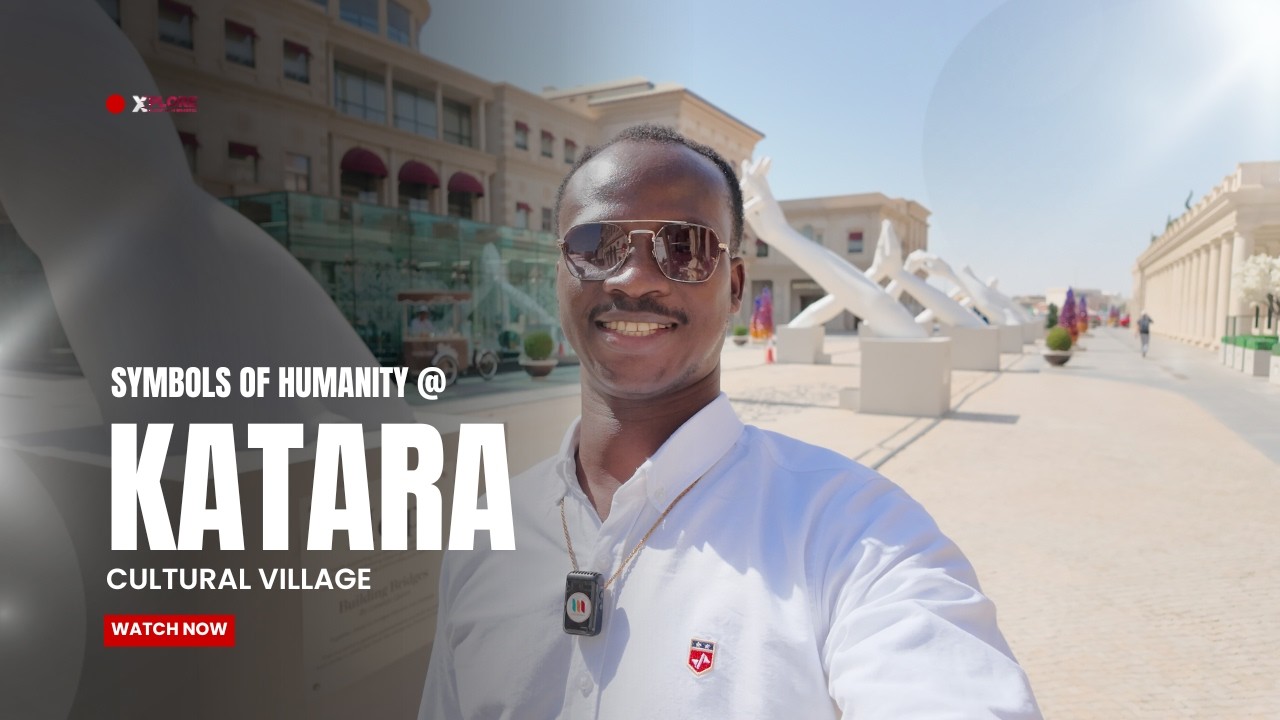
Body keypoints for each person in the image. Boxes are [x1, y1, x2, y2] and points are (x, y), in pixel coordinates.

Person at [419, 125, 1041, 719]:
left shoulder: (855, 535)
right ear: (560, 274)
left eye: (684, 247)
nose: (634, 277)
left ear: (734, 284)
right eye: (594, 247)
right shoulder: (483, 540)